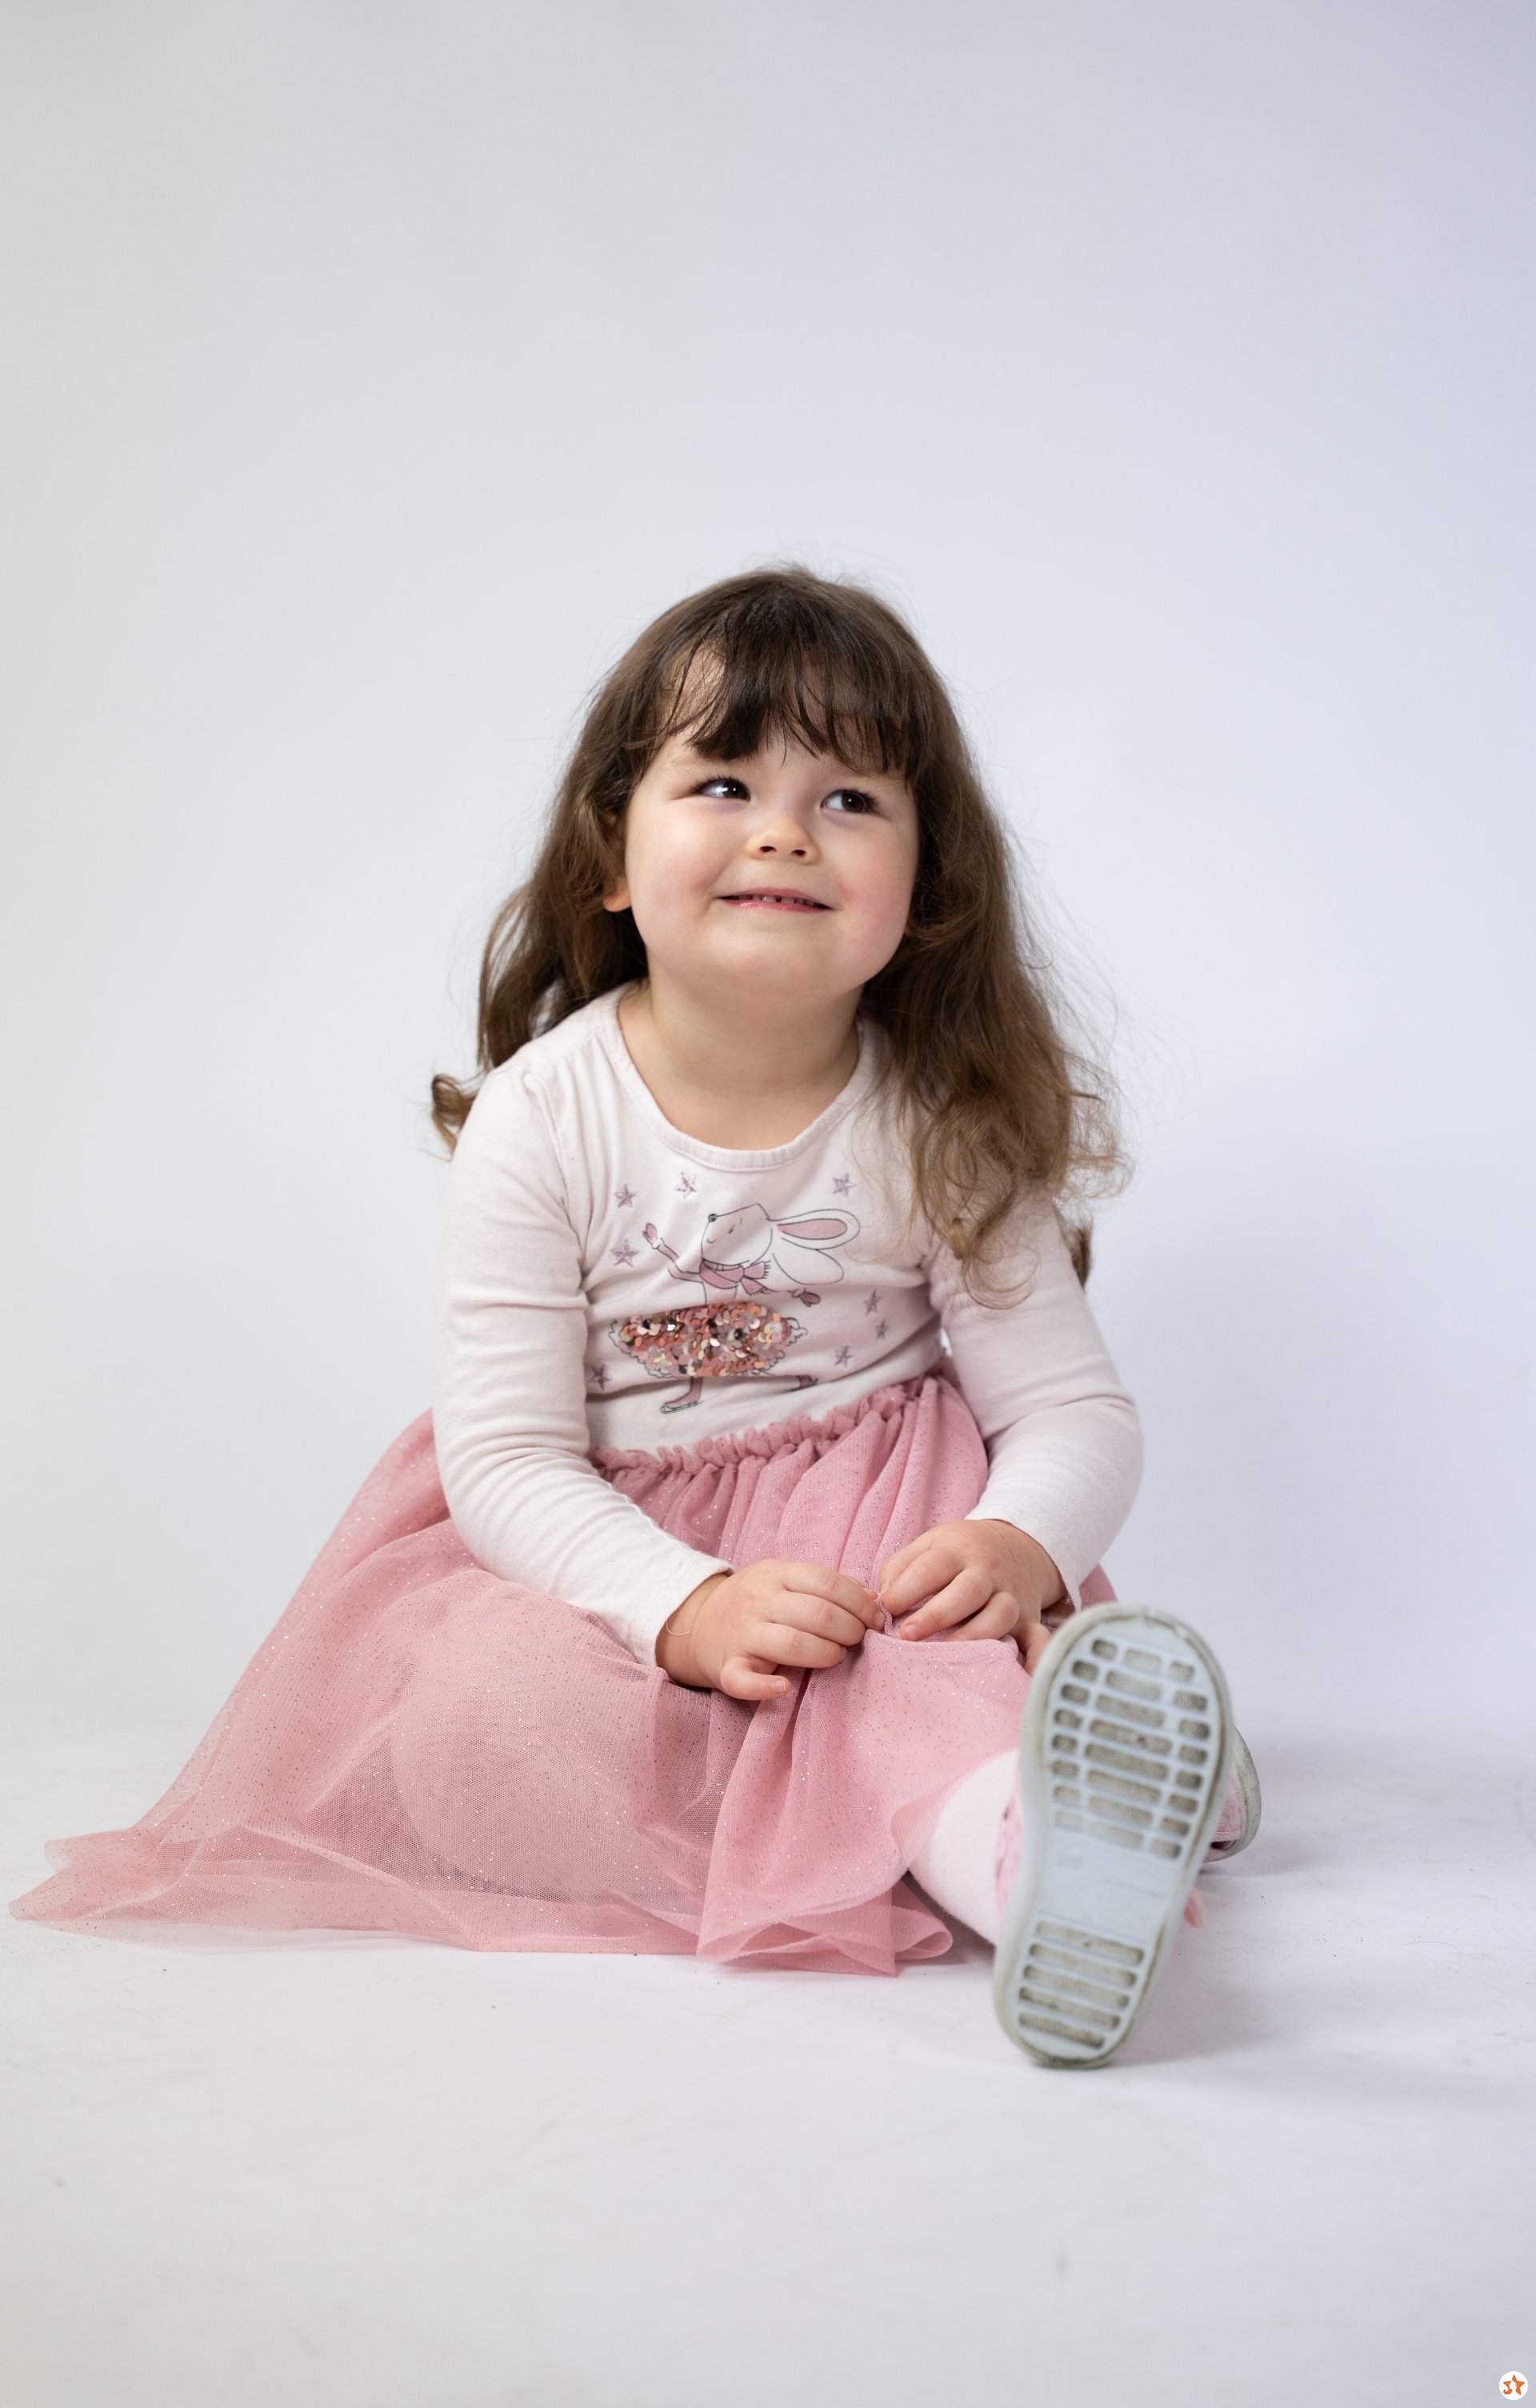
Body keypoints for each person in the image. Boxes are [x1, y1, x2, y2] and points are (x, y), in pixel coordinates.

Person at [11, 567, 1258, 2067]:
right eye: (724, 781)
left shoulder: (942, 1123)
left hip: (875, 1557)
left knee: (912, 1691)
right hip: (605, 1553)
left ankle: (1036, 1856)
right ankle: (1099, 1789)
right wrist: (682, 1606)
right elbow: (507, 1461)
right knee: (473, 1725)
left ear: (928, 890)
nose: (785, 830)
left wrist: (1014, 1541)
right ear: (611, 854)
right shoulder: (544, 1114)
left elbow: (1071, 1410)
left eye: (850, 798)